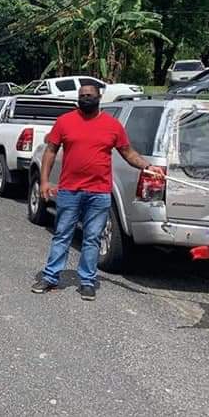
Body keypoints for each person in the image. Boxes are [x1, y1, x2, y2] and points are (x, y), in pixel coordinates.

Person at [31, 81, 164, 301]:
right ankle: (51, 276)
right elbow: (50, 151)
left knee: (92, 238)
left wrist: (147, 167)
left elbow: (128, 153)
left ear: (99, 97)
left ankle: (87, 281)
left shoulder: (113, 126)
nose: (85, 98)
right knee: (62, 235)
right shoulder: (65, 122)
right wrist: (44, 181)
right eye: (82, 95)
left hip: (99, 192)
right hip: (69, 191)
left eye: (89, 95)